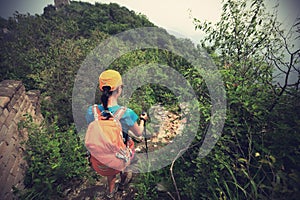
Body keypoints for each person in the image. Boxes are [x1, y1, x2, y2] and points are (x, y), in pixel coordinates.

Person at [85, 69, 148, 199]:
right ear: (119, 89)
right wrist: (142, 120)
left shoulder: (92, 111)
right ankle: (123, 182)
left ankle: (110, 192)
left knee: (109, 157)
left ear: (102, 89)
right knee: (128, 146)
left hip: (99, 162)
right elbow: (139, 133)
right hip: (118, 161)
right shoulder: (126, 113)